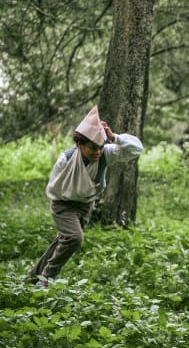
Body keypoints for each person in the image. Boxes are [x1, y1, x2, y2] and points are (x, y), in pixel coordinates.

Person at [28, 106, 144, 286]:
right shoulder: (66, 160)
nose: (97, 152)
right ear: (79, 144)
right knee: (74, 238)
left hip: (85, 206)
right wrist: (86, 188)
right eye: (92, 148)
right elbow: (55, 188)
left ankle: (33, 276)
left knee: (63, 241)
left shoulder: (106, 154)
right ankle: (47, 279)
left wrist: (114, 137)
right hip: (63, 204)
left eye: (100, 147)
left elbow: (136, 149)